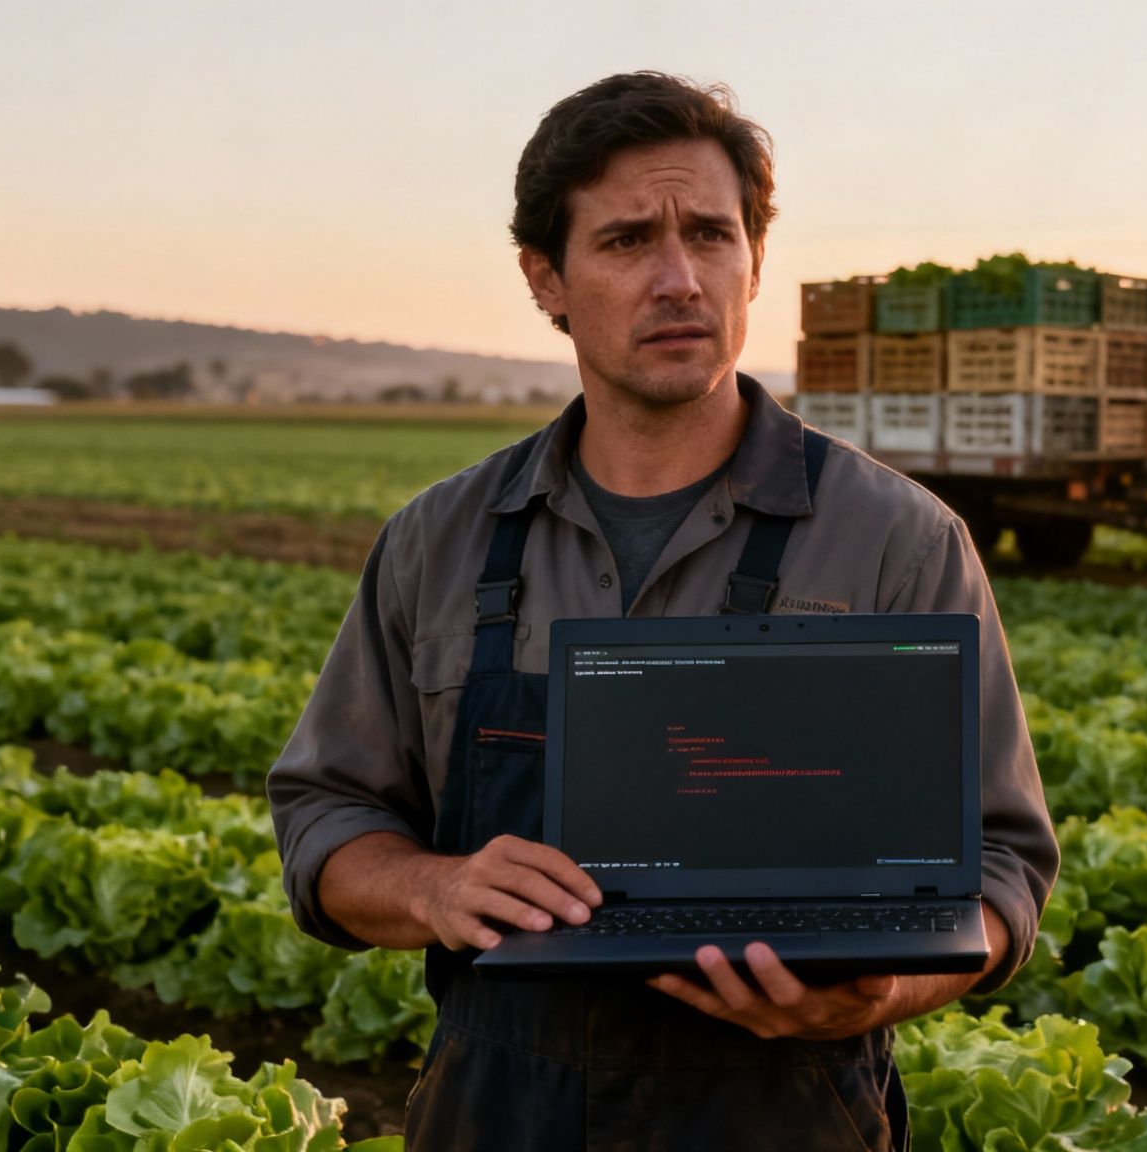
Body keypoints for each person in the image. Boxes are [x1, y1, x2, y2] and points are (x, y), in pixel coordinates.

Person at [266, 71, 1059, 1150]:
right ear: (545, 279)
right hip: (497, 1113)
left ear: (754, 259)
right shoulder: (438, 542)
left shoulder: (899, 541)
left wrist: (875, 998)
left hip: (785, 1113)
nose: (680, 279)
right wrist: (432, 886)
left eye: (712, 235)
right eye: (629, 240)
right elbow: (327, 816)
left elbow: (1002, 863)